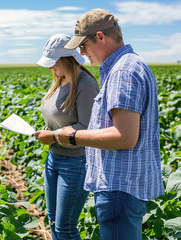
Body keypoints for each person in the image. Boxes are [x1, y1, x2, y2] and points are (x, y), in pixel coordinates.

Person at [54, 9, 165, 240]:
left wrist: (73, 136)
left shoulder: (123, 71)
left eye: (83, 46)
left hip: (119, 187)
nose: (82, 54)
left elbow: (124, 136)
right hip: (123, 188)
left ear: (101, 37)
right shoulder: (129, 65)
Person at [33, 33, 99, 240]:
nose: (50, 67)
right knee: (53, 219)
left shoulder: (85, 84)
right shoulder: (60, 81)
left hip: (76, 163)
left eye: (54, 62)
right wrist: (47, 130)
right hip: (54, 159)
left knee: (65, 227)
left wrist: (51, 136)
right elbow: (59, 117)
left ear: (67, 59)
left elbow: (87, 128)